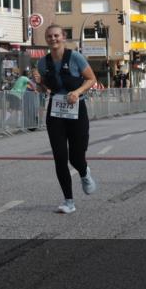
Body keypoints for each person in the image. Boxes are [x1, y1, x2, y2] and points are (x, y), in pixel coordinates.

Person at [32, 24, 98, 214]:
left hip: (77, 110)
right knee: (60, 157)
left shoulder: (75, 57)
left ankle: (84, 172)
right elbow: (44, 90)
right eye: (49, 36)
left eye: (56, 35)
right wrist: (39, 83)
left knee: (76, 157)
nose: (53, 39)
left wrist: (77, 92)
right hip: (56, 112)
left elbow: (91, 79)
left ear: (63, 37)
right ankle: (68, 201)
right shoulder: (43, 63)